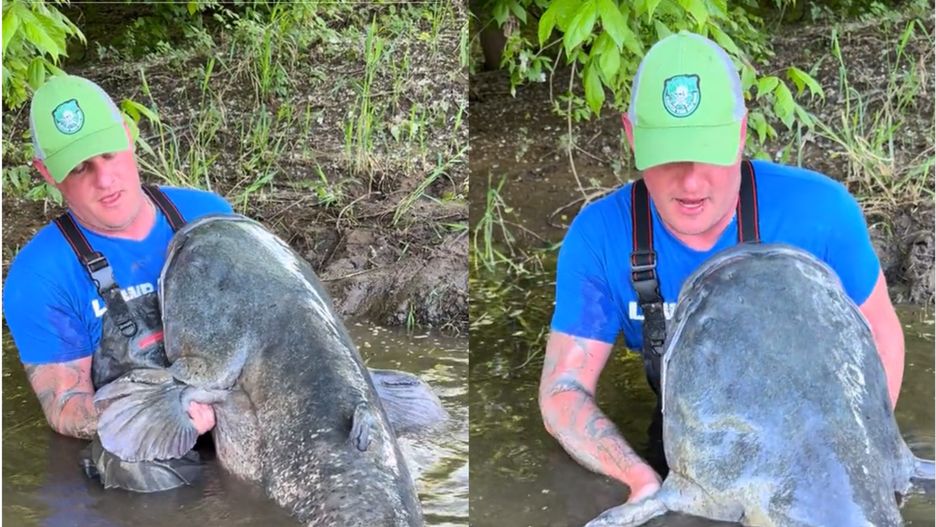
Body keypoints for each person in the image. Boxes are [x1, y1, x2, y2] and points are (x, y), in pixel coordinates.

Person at [538, 31, 905, 505]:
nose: (691, 181)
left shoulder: (820, 213)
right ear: (631, 135)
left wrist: (861, 460)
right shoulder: (598, 239)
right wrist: (640, 480)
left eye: (709, 152)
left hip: (820, 438)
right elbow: (563, 390)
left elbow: (881, 334)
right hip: (700, 441)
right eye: (669, 155)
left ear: (740, 132)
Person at [3, 75, 230, 444]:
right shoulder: (37, 278)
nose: (105, 179)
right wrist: (154, 415)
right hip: (145, 441)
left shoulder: (211, 217)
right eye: (80, 168)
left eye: (108, 153)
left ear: (126, 134)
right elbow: (65, 405)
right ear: (46, 172)